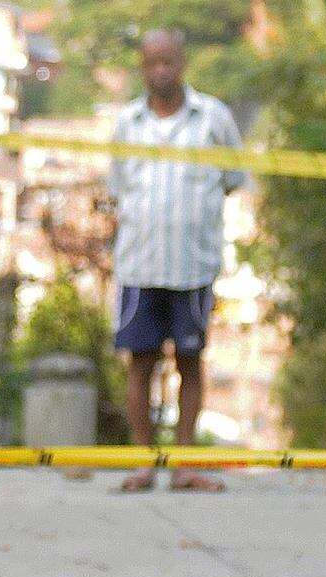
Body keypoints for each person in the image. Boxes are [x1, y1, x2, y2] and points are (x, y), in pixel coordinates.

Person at [107, 29, 245, 493]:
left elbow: (231, 179)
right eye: (152, 63)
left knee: (190, 360)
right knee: (140, 364)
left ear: (182, 62)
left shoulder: (213, 119)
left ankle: (184, 464)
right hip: (139, 266)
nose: (161, 71)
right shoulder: (127, 124)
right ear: (142, 67)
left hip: (193, 266)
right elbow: (117, 190)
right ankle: (146, 463)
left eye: (168, 61)